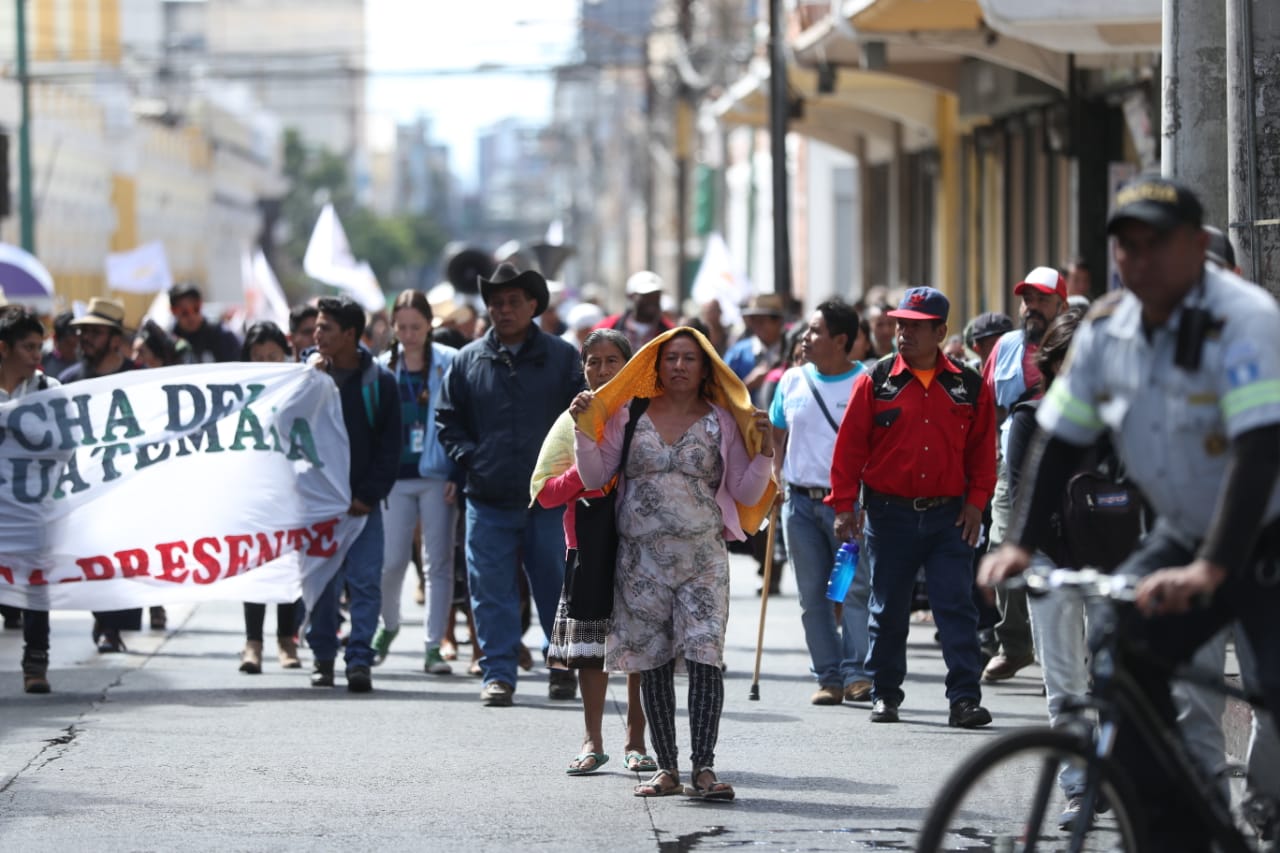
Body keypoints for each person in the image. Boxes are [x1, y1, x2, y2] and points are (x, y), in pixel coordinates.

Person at [981, 175, 1280, 851]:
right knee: (1122, 648)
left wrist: (1213, 566)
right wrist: (1021, 544)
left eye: (1156, 244)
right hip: (1183, 528)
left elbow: (1257, 455)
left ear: (1192, 247)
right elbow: (1060, 440)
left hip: (1264, 532)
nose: (1138, 260)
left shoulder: (1246, 319)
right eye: (1125, 246)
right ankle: (1173, 828)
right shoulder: (1108, 329)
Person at [573, 327, 775, 800]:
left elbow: (747, 492)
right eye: (671, 359)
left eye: (690, 358)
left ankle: (703, 768)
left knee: (706, 657)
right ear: (655, 367)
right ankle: (666, 769)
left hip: (703, 560)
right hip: (639, 563)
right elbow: (596, 475)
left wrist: (765, 451)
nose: (680, 366)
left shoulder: (724, 422)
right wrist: (584, 431)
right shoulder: (629, 413)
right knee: (655, 662)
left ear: (706, 368)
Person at [829, 286, 996, 728]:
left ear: (941, 331)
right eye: (900, 324)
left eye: (916, 327)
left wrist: (977, 504)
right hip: (889, 513)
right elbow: (848, 449)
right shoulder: (876, 378)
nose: (904, 333)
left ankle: (964, 698)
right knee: (888, 608)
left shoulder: (969, 385)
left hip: (949, 516)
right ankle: (885, 693)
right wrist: (844, 506)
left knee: (956, 607)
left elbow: (983, 452)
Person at [436, 263, 586, 707]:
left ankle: (561, 668)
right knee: (490, 590)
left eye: (513, 302)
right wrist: (472, 459)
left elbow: (583, 422)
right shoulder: (467, 360)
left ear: (533, 306)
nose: (503, 310)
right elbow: (448, 421)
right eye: (496, 303)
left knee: (557, 587)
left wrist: (569, 475)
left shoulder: (562, 358)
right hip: (487, 499)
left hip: (549, 500)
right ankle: (498, 673)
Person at [534, 328, 651, 775]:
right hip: (586, 546)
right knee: (590, 652)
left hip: (641, 546)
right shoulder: (571, 421)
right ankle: (591, 740)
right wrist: (588, 478)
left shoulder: (645, 414)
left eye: (612, 361)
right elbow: (545, 493)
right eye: (592, 362)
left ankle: (636, 740)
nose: (601, 370)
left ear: (630, 366)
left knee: (641, 647)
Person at [1001, 307, 1094, 828]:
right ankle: (1079, 788)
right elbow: (1022, 498)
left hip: (1113, 564)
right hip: (1051, 563)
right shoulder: (1030, 418)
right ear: (1051, 364)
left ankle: (1114, 776)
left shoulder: (1122, 418)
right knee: (1065, 684)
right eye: (1071, 363)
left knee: (1110, 677)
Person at [769, 300, 872, 706]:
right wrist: (777, 475)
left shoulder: (866, 381)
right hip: (801, 509)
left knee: (848, 591)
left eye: (815, 331)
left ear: (841, 340)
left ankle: (856, 672)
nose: (805, 338)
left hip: (847, 511)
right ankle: (828, 676)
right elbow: (777, 433)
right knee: (812, 596)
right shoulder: (792, 380)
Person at [304, 296, 401, 692]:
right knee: (322, 584)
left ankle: (358, 658)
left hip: (362, 506)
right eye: (316, 327)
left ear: (350, 334)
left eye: (326, 328)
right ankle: (323, 657)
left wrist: (368, 495)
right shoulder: (306, 375)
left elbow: (390, 447)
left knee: (364, 582)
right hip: (318, 506)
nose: (317, 334)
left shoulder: (379, 382)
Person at [980, 266, 1068, 684]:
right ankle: (1014, 645)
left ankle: (1073, 649)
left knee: (1065, 546)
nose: (1031, 307)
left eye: (1041, 300)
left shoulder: (1076, 343)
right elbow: (988, 406)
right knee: (1003, 542)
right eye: (1027, 299)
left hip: (1068, 460)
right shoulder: (1006, 347)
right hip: (1009, 460)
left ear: (1060, 305)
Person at [372, 290, 460, 675]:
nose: (409, 335)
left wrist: (458, 471)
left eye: (417, 327)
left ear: (430, 326)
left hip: (437, 475)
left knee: (437, 563)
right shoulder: (381, 367)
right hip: (394, 478)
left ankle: (433, 646)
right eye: (402, 327)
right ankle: (389, 625)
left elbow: (462, 418)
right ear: (393, 327)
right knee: (391, 563)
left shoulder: (450, 362)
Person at [59, 297, 141, 652]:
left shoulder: (141, 379)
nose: (84, 339)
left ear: (114, 338)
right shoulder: (68, 382)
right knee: (92, 556)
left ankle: (113, 624)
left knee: (125, 555)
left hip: (129, 486)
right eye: (81, 332)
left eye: (93, 332)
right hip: (85, 488)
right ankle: (106, 623)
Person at [235, 322, 303, 673]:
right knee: (255, 563)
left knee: (288, 565)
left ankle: (287, 639)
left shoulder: (300, 387)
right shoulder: (236, 395)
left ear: (286, 355)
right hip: (253, 490)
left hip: (290, 488)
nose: (265, 362)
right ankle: (253, 643)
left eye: (272, 357)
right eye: (258, 357)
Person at [0, 308, 60, 692]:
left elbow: (66, 447)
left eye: (40, 346)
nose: (37, 354)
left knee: (36, 584)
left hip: (35, 510)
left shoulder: (49, 391)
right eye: (28, 346)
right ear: (3, 349)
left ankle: (35, 661)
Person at [724, 293, 788, 408]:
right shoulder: (737, 353)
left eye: (762, 320)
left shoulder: (791, 352)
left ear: (778, 321)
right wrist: (749, 384)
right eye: (753, 319)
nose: (757, 325)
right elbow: (721, 395)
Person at [594, 270, 676, 355]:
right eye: (646, 296)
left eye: (656, 295)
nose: (652, 300)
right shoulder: (607, 327)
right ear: (630, 296)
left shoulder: (670, 332)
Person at [168, 282, 240, 363]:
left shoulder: (221, 334)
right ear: (173, 311)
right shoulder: (170, 341)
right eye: (184, 312)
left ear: (201, 304)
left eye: (196, 309)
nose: (192, 316)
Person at [40, 310, 76, 378]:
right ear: (55, 338)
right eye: (69, 344)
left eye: (77, 345)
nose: (74, 349)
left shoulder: (88, 364)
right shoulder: (43, 362)